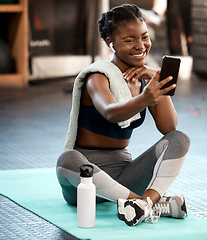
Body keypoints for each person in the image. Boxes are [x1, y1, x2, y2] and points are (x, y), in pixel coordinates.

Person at [56, 4, 190, 227]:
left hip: (124, 177)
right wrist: (145, 99)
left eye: (144, 37)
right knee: (67, 160)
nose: (140, 46)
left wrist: (158, 80)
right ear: (111, 43)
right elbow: (110, 113)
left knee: (180, 139)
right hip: (85, 182)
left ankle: (140, 205)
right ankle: (150, 205)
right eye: (129, 40)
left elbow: (170, 128)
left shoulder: (146, 82)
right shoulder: (98, 76)